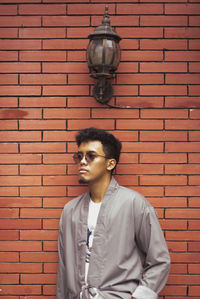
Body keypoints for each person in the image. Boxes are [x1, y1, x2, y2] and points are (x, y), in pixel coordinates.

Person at [56, 127, 170, 299]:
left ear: (110, 163)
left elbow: (159, 260)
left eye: (91, 156)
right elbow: (64, 269)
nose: (83, 162)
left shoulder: (133, 204)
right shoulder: (70, 211)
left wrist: (139, 297)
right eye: (79, 156)